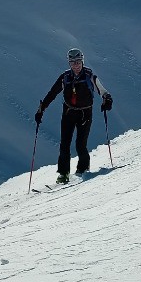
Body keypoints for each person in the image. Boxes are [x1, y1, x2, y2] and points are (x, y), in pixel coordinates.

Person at [35, 47, 113, 184]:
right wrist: (42, 109)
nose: (76, 65)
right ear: (69, 64)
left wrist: (107, 99)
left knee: (80, 145)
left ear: (82, 61)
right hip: (68, 113)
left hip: (85, 114)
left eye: (78, 62)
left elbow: (102, 90)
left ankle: (82, 169)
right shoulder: (64, 77)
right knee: (64, 144)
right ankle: (63, 174)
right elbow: (52, 93)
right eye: (73, 63)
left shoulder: (89, 75)